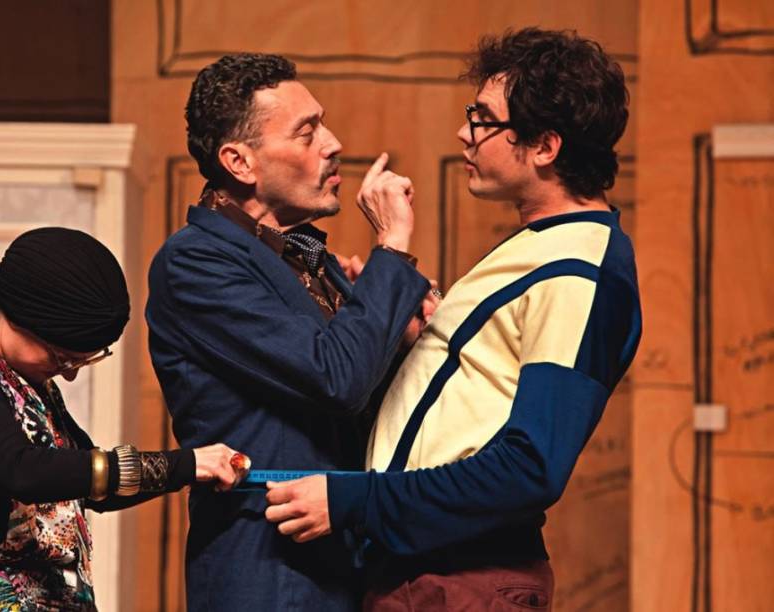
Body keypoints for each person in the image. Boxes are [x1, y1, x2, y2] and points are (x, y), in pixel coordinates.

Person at [266, 27, 642, 611]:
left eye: (483, 119)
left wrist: (352, 501)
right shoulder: (544, 246)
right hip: (428, 574)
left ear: (545, 146)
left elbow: (530, 469)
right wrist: (421, 337)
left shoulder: (580, 269)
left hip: (461, 580)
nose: (465, 133)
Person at [145, 54, 433, 611]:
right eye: (307, 131)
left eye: (323, 124)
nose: (333, 143)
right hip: (269, 572)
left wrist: (401, 340)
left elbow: (359, 406)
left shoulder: (307, 258)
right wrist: (392, 248)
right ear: (239, 162)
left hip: (343, 560)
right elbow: (336, 379)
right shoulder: (195, 262)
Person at [0, 227, 249, 611]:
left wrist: (192, 471)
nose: (68, 375)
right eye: (62, 358)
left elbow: (91, 484)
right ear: (21, 320)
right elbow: (27, 472)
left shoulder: (22, 380)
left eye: (81, 361)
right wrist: (183, 464)